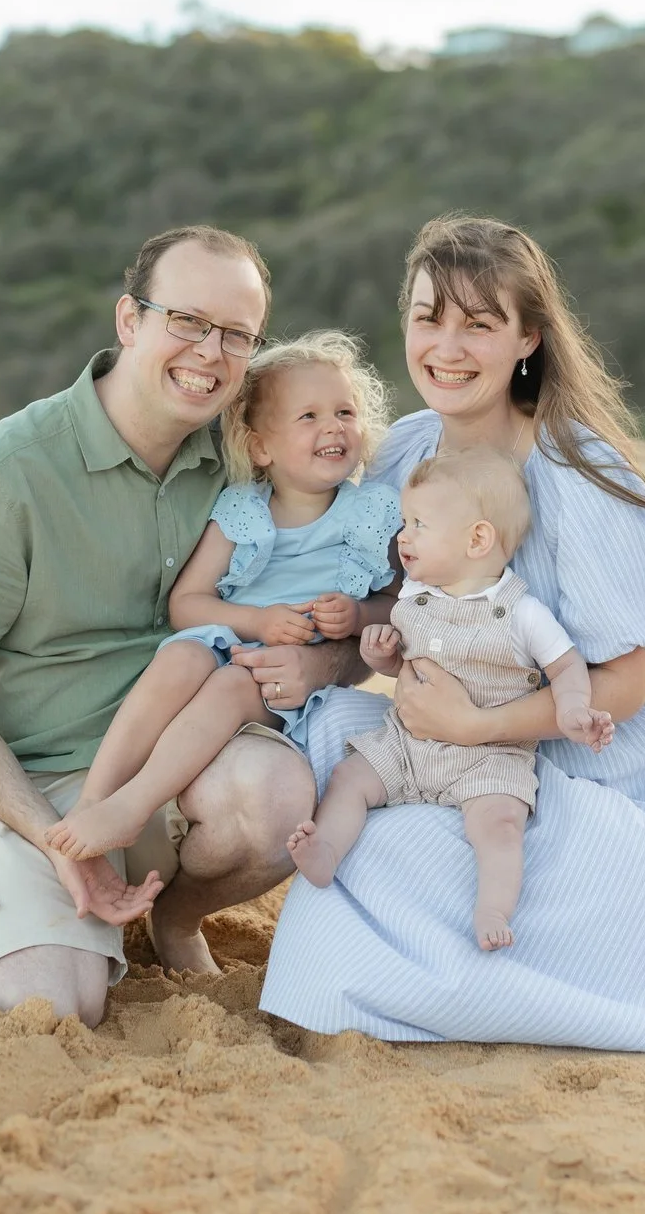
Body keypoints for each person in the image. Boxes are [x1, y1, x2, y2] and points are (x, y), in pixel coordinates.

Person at [259, 214, 645, 1048]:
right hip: (441, 759)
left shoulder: (576, 473)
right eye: (428, 318)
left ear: (527, 338)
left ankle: (484, 980)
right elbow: (388, 612)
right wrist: (324, 664)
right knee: (341, 770)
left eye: (478, 324)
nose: (445, 346)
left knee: (425, 861)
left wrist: (478, 725)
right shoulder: (404, 458)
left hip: (578, 774)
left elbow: (625, 688)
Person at [0, 227, 361, 1024]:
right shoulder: (5, 475)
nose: (209, 352)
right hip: (41, 786)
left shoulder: (250, 460)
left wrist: (325, 665)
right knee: (43, 1007)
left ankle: (173, 914)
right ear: (128, 321)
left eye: (235, 335)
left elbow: (363, 602)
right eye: (186, 320)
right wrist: (50, 835)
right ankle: (40, 896)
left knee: (275, 794)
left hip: (188, 763)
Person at [44, 329, 401, 883]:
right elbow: (187, 604)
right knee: (182, 658)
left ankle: (134, 806)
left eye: (345, 411)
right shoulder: (243, 509)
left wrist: (357, 618)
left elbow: (399, 607)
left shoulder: (373, 513)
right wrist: (255, 621)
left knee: (232, 686)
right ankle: (96, 796)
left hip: (282, 684)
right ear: (261, 447)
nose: (333, 426)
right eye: (308, 417)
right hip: (229, 639)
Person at [287, 446, 614, 950]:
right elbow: (405, 669)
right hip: (410, 743)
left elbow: (566, 666)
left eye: (419, 523)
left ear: (478, 538)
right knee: (352, 776)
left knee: (501, 823)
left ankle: (493, 907)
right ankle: (326, 851)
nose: (403, 536)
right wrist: (384, 657)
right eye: (404, 521)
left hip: (490, 756)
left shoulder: (522, 612)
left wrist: (572, 709)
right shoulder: (413, 600)